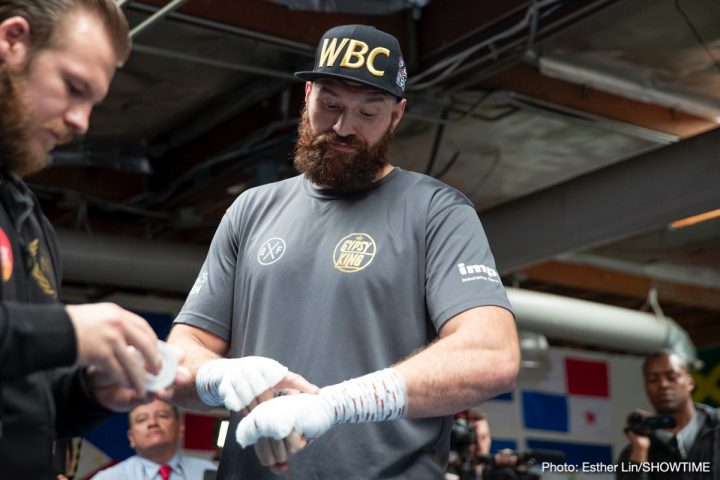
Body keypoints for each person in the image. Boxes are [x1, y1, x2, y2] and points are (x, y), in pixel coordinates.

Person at [168, 24, 519, 479]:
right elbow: (180, 357)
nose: (342, 127)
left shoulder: (436, 211)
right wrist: (219, 378)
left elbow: (494, 356)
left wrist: (340, 404)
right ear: (307, 94)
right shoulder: (250, 211)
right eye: (329, 104)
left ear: (397, 115)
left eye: (368, 113)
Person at [0, 1, 188, 477]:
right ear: (12, 42)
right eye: (73, 87)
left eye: (93, 103)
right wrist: (67, 332)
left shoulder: (28, 222)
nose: (82, 121)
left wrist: (90, 392)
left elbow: (24, 405)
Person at [617, 350, 720, 479]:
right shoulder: (634, 451)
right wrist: (639, 453)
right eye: (653, 380)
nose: (663, 385)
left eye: (672, 377)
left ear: (690, 383)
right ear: (646, 387)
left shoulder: (716, 427)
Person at [92, 399, 217, 479]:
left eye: (162, 416)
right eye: (141, 419)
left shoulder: (212, 473)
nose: (152, 422)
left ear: (180, 428)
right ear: (131, 438)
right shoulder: (108, 478)